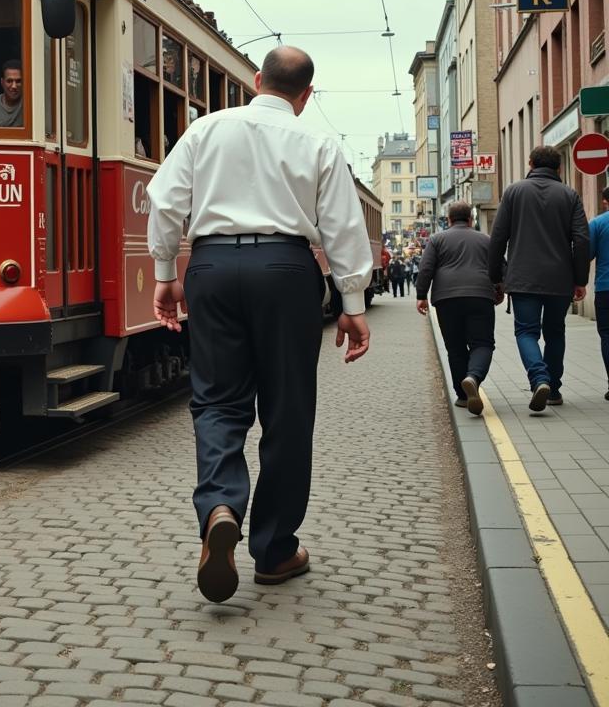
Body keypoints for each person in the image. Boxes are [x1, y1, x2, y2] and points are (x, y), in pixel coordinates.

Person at [146, 45, 372, 604]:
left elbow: (165, 203)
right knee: (288, 410)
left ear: (255, 80)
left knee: (218, 401)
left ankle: (221, 505)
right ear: (306, 95)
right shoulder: (318, 144)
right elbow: (343, 228)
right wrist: (353, 303)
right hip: (287, 269)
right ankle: (273, 552)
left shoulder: (205, 130)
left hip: (214, 268)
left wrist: (164, 272)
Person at [489, 145, 589, 412]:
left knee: (526, 331)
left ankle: (539, 378)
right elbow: (581, 239)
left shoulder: (514, 192)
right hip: (560, 279)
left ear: (530, 163)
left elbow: (498, 238)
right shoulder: (569, 195)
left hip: (523, 279)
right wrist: (580, 279)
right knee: (555, 332)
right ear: (559, 168)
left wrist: (496, 277)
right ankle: (553, 388)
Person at [416, 201, 501, 415]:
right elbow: (499, 266)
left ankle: (463, 396)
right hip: (480, 295)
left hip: (446, 299)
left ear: (449, 220)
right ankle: (473, 377)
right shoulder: (486, 240)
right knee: (482, 343)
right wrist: (500, 289)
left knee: (455, 348)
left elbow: (426, 268)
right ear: (471, 220)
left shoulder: (437, 239)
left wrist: (421, 295)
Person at [588, 186, 609, 401]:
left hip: (606, 288)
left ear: (605, 201)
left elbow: (587, 253)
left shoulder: (598, 223)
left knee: (607, 336)